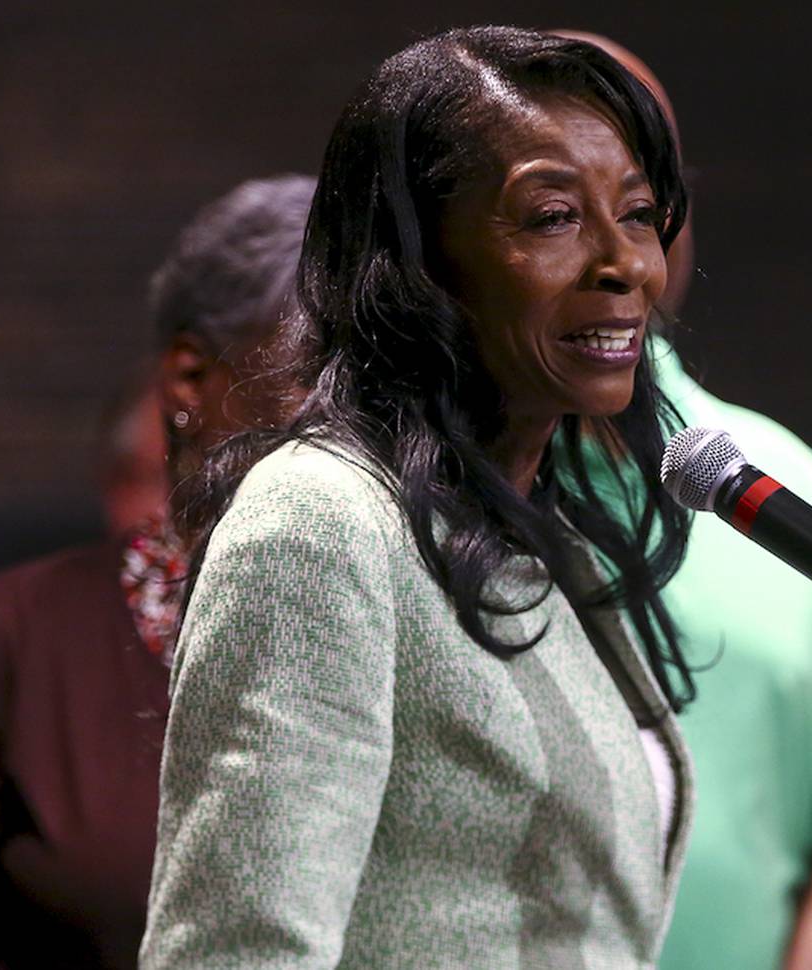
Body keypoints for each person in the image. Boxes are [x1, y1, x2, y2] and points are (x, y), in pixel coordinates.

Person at [139, 27, 697, 969]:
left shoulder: (529, 527)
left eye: (638, 213)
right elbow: (237, 950)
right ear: (416, 261)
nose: (627, 265)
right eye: (555, 216)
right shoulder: (319, 525)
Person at [553, 31, 812, 970]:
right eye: (559, 208)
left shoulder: (773, 476)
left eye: (642, 200)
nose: (614, 248)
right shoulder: (416, 499)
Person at [0, 172, 313, 969]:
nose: (360, 415)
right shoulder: (14, 631)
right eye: (319, 371)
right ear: (188, 379)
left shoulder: (434, 607)